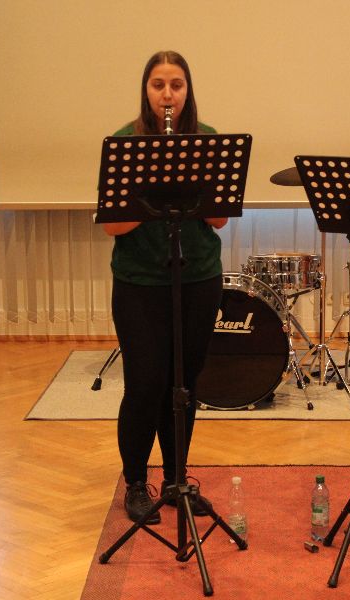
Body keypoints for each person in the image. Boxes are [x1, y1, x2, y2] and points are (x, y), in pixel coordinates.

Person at [101, 51, 228, 524]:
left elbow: (218, 219)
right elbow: (113, 226)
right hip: (140, 281)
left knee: (184, 384)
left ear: (187, 90)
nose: (168, 94)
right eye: (158, 85)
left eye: (177, 85)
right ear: (146, 90)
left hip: (198, 276)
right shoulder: (124, 142)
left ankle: (176, 479)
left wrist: (189, 186)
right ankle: (136, 482)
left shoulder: (207, 140)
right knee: (144, 383)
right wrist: (154, 190)